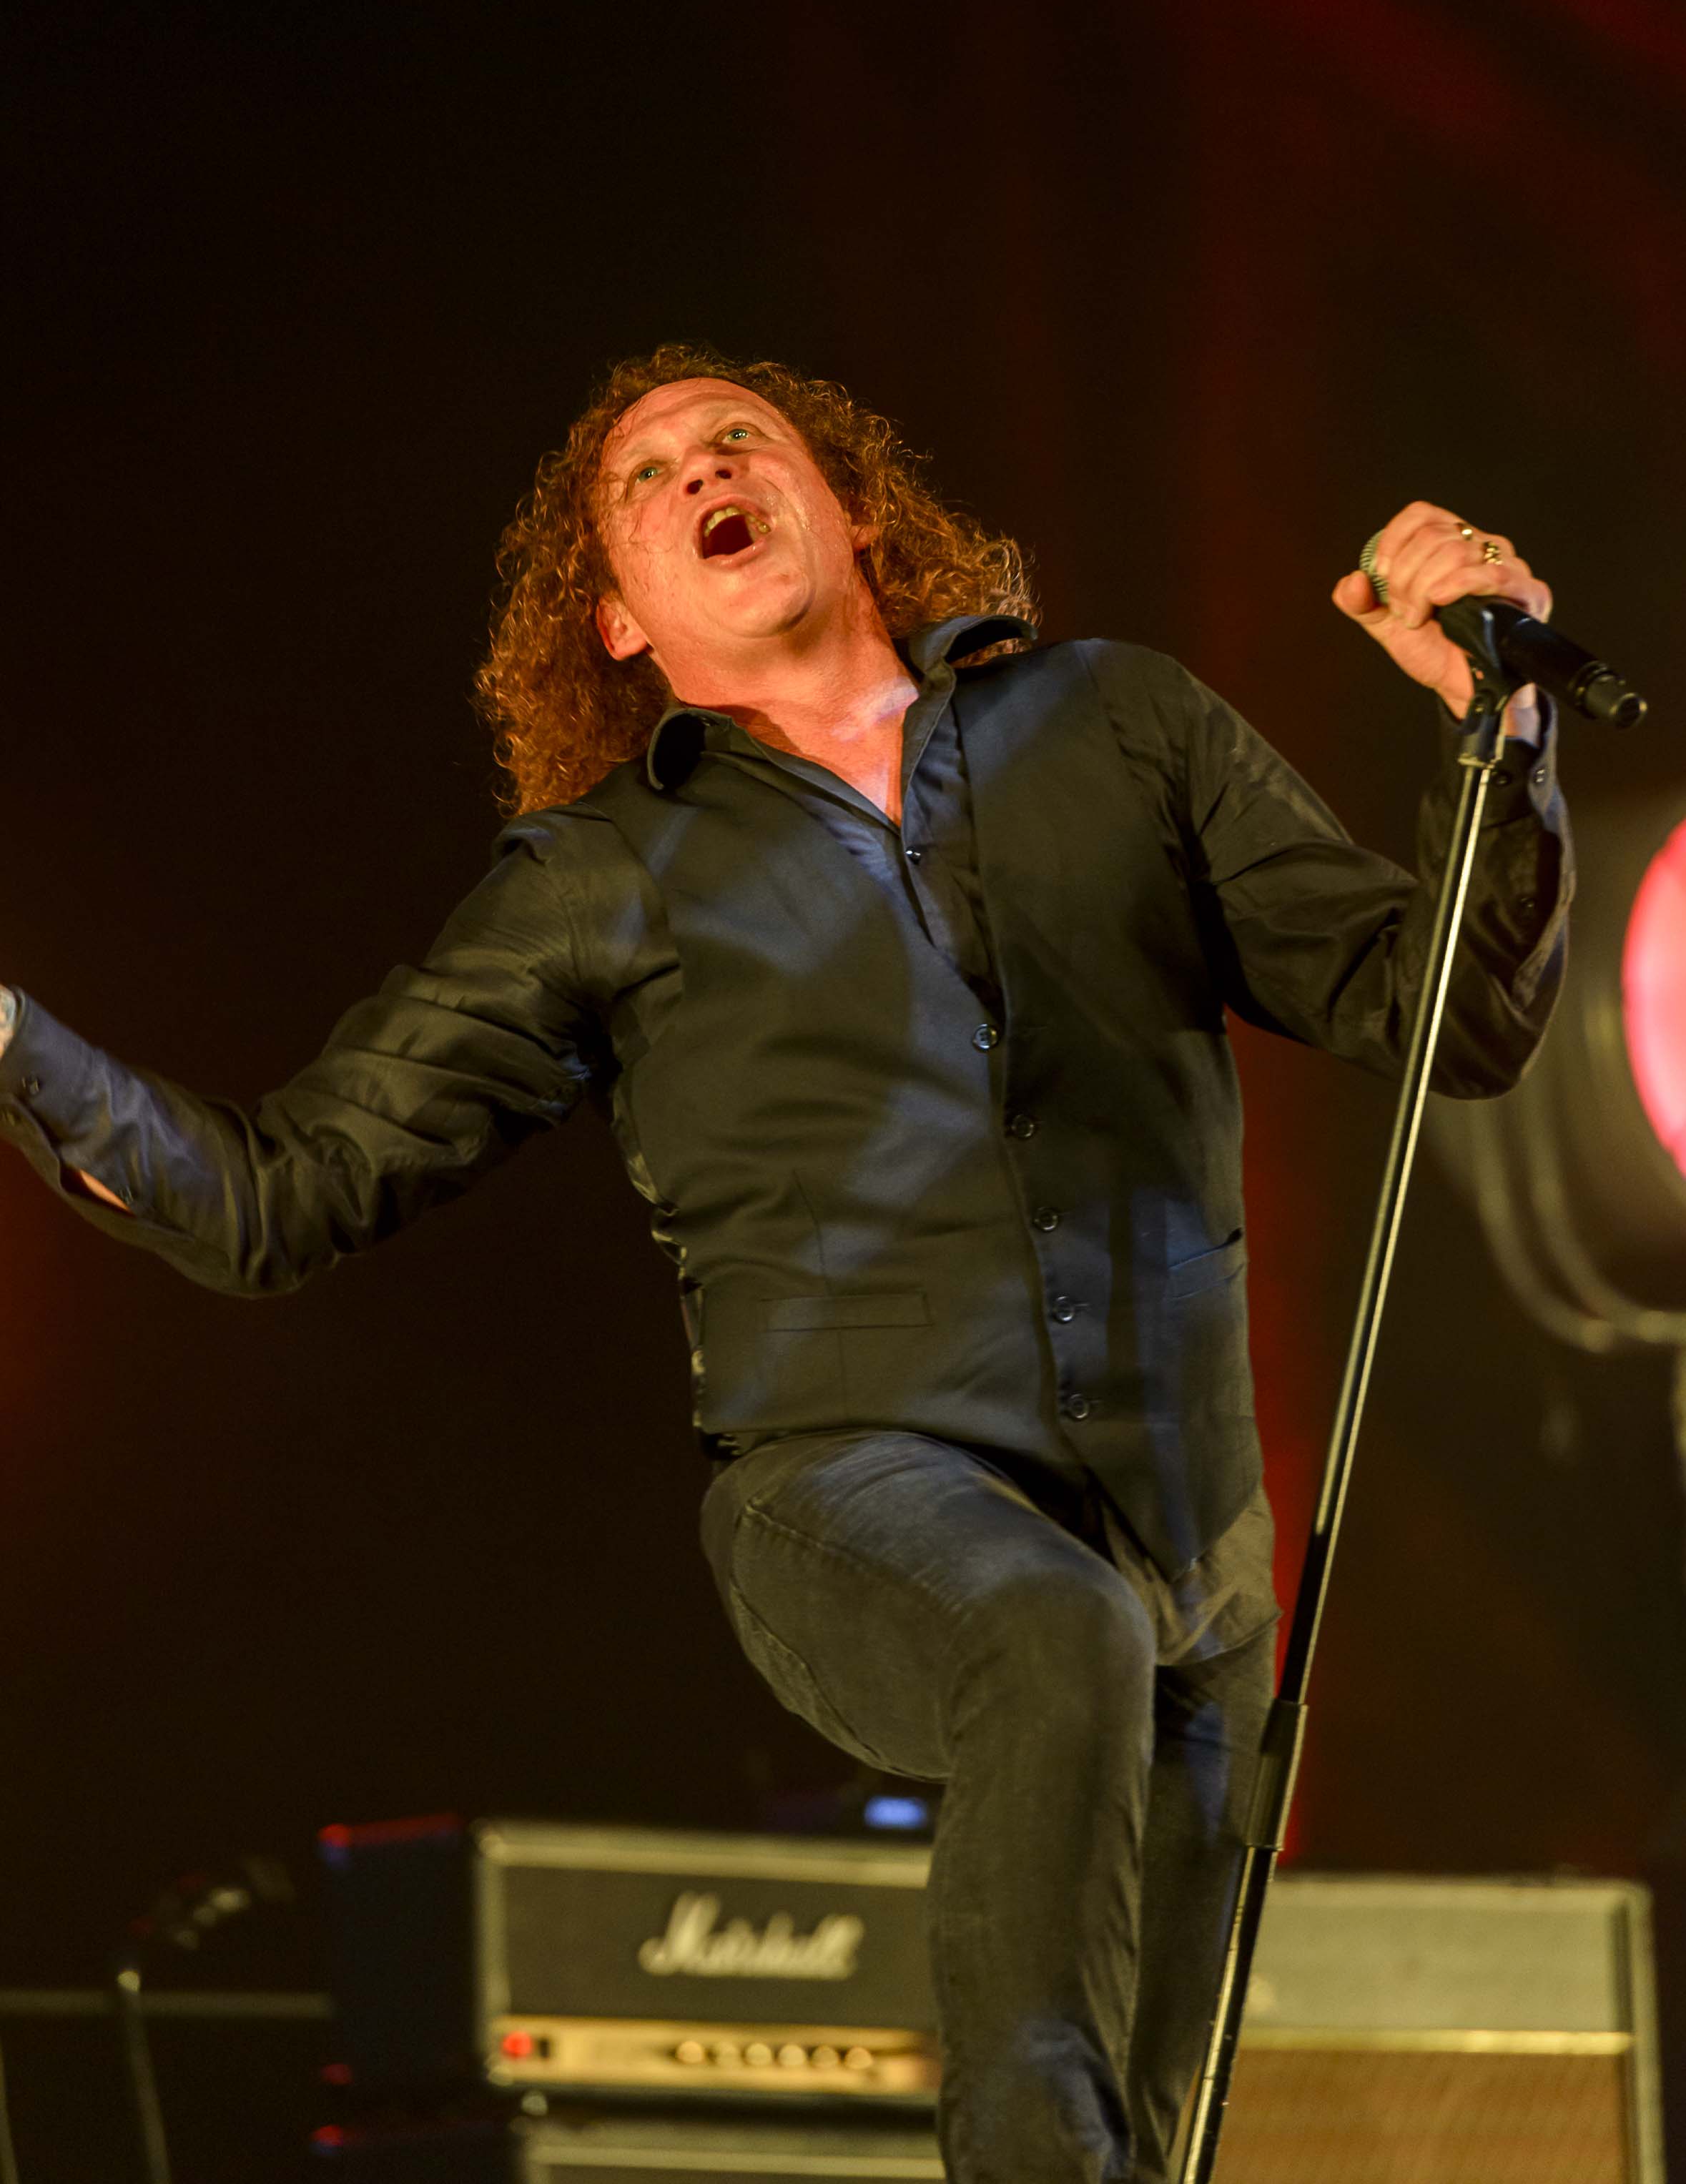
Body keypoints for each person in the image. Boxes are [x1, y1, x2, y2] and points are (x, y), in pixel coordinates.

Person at [0, 346, 1569, 2183]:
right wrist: (15, 1042)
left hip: (1191, 1541)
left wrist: (1500, 727)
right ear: (618, 620)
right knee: (1049, 1633)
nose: (701, 468)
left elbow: (1447, 1010)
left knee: (1144, 2124)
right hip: (851, 1495)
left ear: (853, 510)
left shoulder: (1117, 721)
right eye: (644, 477)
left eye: (741, 438)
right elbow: (283, 1191)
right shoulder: (608, 874)